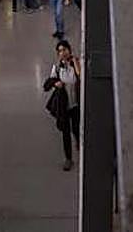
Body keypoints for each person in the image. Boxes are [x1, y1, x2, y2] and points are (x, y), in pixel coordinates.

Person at [49, 39, 81, 171]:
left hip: (75, 104)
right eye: (59, 51)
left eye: (64, 50)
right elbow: (50, 82)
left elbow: (80, 76)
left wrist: (74, 63)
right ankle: (68, 158)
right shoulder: (56, 67)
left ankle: (80, 145)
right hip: (64, 106)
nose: (62, 53)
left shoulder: (76, 63)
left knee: (77, 128)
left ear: (69, 50)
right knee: (66, 132)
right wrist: (56, 84)